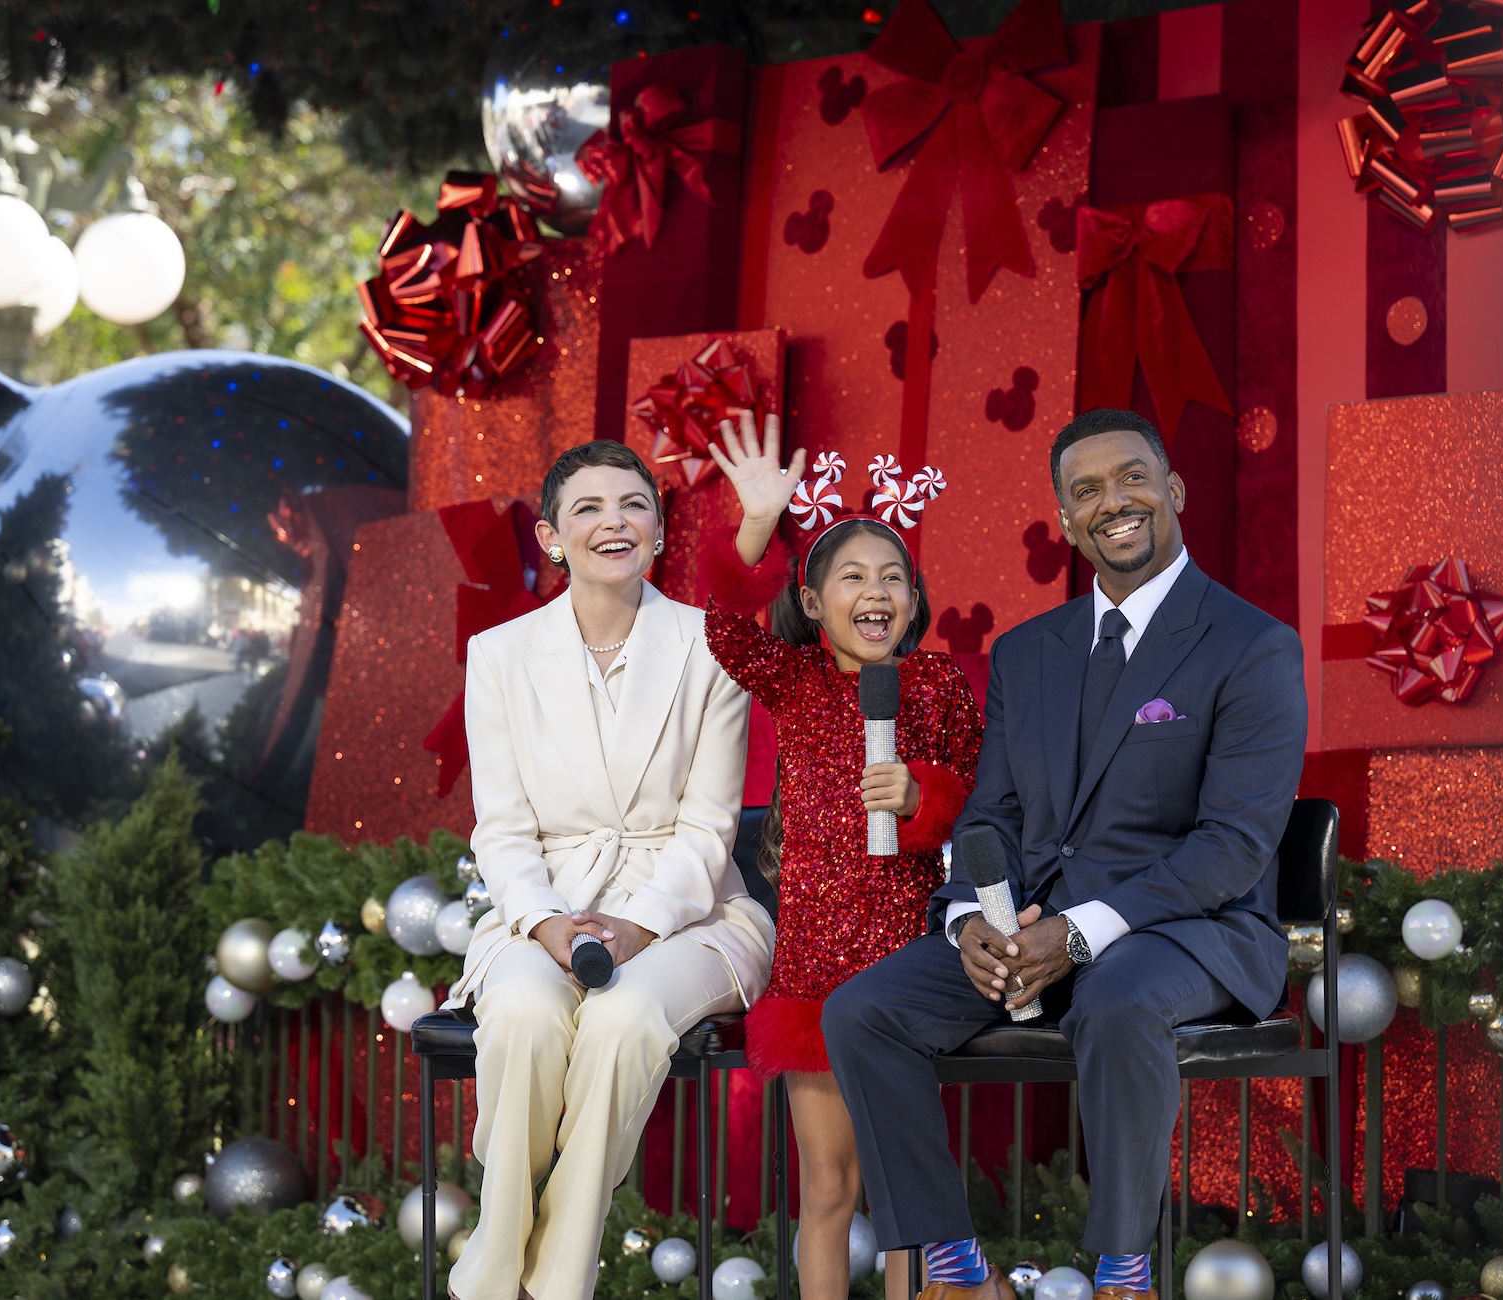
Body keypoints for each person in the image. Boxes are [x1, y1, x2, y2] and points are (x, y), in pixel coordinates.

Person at [823, 409, 1307, 1300]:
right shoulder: (1027, 651)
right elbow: (993, 813)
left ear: (1173, 491)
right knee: (863, 1013)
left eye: (1131, 478)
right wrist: (972, 916)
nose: (1112, 502)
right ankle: (958, 1274)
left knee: (1118, 1002)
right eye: (1086, 491)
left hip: (1187, 930)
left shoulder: (1253, 646)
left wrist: (1080, 934)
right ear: (1065, 518)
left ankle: (1124, 1275)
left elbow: (1234, 846)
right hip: (1032, 926)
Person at [448, 440, 775, 1300]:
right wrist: (547, 921)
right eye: (587, 509)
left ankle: (539, 1277)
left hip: (691, 910)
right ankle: (512, 1250)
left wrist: (639, 925)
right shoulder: (499, 655)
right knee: (520, 1009)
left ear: (660, 531)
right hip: (544, 901)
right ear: (553, 538)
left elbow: (711, 826)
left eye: (633, 505)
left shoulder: (713, 646)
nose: (612, 522)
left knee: (624, 1019)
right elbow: (503, 830)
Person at [698, 413, 982, 1299]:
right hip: (815, 969)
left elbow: (986, 803)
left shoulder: (938, 685)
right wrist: (753, 525)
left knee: (899, 1188)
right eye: (851, 575)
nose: (876, 589)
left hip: (906, 975)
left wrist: (925, 796)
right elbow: (718, 622)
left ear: (914, 600)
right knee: (828, 1185)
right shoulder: (795, 678)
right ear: (814, 603)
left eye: (893, 576)